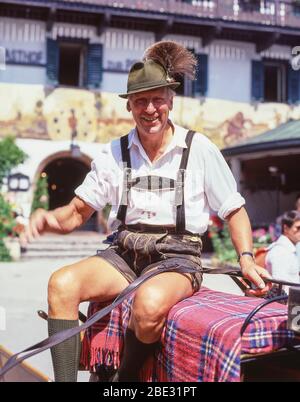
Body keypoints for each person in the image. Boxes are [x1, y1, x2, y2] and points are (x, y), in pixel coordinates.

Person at [21, 41, 271, 382]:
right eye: (141, 101)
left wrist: (246, 257)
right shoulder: (115, 151)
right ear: (129, 106)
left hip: (177, 257)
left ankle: (122, 383)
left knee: (149, 304)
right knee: (61, 284)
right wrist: (48, 220)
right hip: (124, 253)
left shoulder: (198, 148)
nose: (150, 109)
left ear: (170, 100)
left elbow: (234, 210)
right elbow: (78, 211)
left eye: (157, 99)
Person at [265, 210, 300, 295]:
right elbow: (281, 289)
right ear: (286, 228)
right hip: (287, 303)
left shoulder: (291, 248)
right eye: (298, 228)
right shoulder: (280, 252)